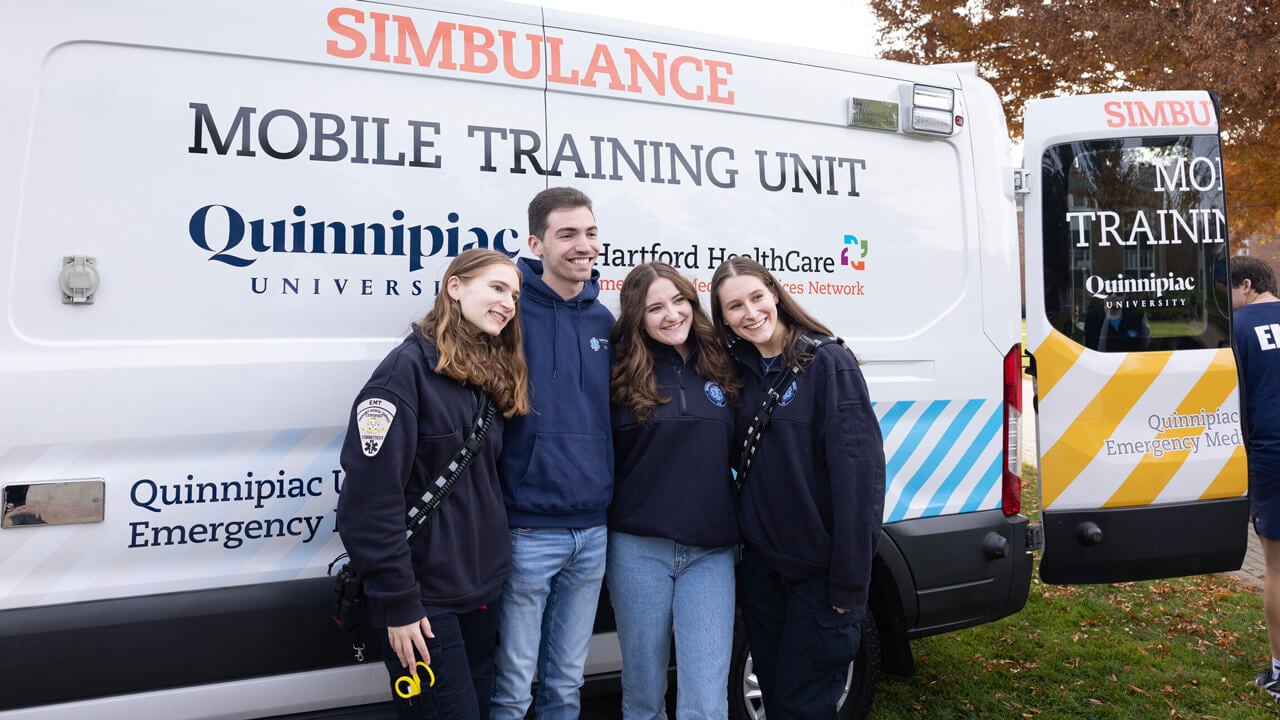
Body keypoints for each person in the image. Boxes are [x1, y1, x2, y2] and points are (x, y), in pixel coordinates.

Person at [335, 249, 530, 719]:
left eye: (515, 295)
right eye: (497, 288)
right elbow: (368, 506)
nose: (508, 303)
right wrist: (399, 605)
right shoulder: (404, 373)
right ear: (455, 287)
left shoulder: (484, 372)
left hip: (479, 595)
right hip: (422, 607)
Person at [710, 256, 885, 720]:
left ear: (775, 294)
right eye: (734, 306)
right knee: (775, 696)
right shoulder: (737, 372)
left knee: (803, 707)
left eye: (755, 298)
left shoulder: (828, 362)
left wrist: (849, 587)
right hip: (764, 573)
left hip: (820, 576)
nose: (749, 313)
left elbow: (860, 478)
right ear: (722, 317)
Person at [489, 187, 615, 720]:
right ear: (536, 244)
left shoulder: (606, 321)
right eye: (567, 235)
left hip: (592, 531)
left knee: (565, 687)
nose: (583, 245)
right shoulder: (509, 315)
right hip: (527, 531)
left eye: (589, 232)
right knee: (513, 690)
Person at [607, 262, 741, 719]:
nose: (671, 315)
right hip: (639, 551)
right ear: (637, 318)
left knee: (705, 699)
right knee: (644, 694)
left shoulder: (723, 365)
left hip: (710, 553)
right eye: (655, 308)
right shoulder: (620, 376)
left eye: (679, 300)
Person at [1232, 256, 1280, 703]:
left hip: (1271, 453)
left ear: (1246, 285)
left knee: (1276, 569)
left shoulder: (1239, 327)